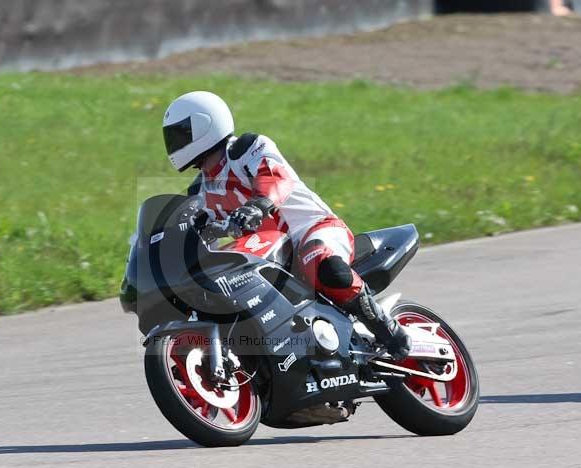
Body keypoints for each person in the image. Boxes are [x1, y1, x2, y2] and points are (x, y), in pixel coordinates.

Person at [162, 91, 411, 360]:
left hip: (313, 230)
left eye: (180, 134)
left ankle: (388, 329)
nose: (175, 144)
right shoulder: (200, 190)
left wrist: (257, 206)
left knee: (318, 261)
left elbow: (275, 178)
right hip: (267, 254)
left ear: (206, 124)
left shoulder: (246, 149)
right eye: (172, 137)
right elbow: (188, 231)